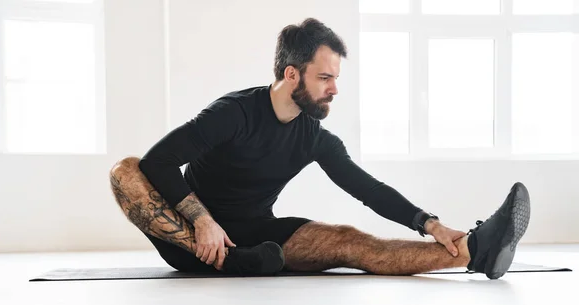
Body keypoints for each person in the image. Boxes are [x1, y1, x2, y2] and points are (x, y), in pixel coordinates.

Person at [109, 18, 531, 280]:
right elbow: (156, 162)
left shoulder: (314, 136)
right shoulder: (233, 112)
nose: (334, 89)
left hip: (258, 242)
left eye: (336, 78)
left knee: (348, 240)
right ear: (292, 74)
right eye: (325, 77)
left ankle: (475, 252)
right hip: (184, 235)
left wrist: (432, 224)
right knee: (124, 169)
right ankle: (230, 262)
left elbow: (367, 188)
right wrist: (201, 221)